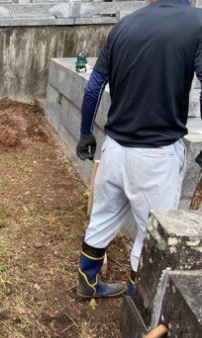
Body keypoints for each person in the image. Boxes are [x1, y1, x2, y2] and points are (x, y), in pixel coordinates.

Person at [76, 0, 202, 298]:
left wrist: (84, 134)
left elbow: (94, 86)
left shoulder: (124, 26)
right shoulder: (196, 24)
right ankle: (135, 306)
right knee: (150, 233)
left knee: (103, 217)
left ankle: (87, 282)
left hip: (114, 149)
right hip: (156, 157)